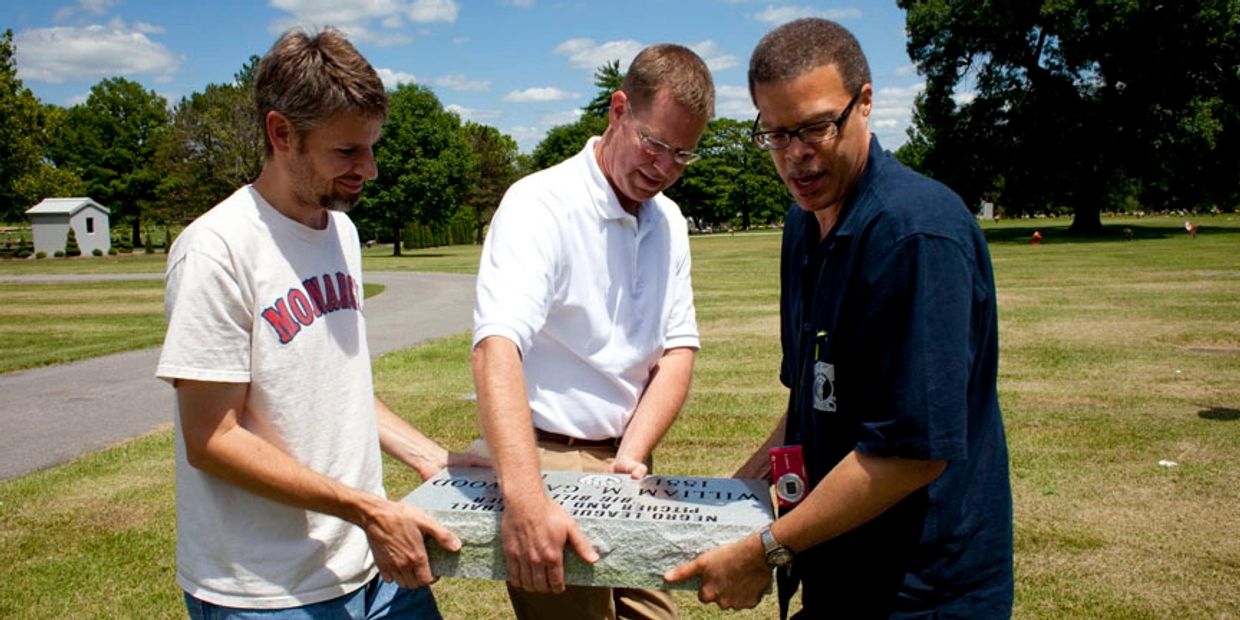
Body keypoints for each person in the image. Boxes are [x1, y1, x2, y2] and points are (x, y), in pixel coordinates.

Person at [665, 18, 1014, 619]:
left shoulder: (915, 235)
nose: (796, 155)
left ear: (867, 102)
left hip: (921, 593)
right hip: (836, 569)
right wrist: (737, 494)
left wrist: (764, 550)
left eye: (816, 128)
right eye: (774, 134)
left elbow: (910, 452)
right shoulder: (804, 225)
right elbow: (815, 399)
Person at [156, 27, 468, 619]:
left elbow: (332, 386)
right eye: (347, 152)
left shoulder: (341, 232)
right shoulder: (216, 250)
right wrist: (368, 509)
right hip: (268, 593)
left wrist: (431, 456)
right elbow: (212, 439)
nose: (369, 170)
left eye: (371, 147)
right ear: (281, 134)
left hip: (375, 569)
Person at [470, 44, 714, 619]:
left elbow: (678, 350)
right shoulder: (539, 206)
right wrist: (526, 496)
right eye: (654, 143)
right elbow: (495, 350)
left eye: (683, 155)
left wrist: (631, 458)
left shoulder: (670, 222)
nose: (663, 168)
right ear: (619, 109)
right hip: (546, 457)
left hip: (628, 458)